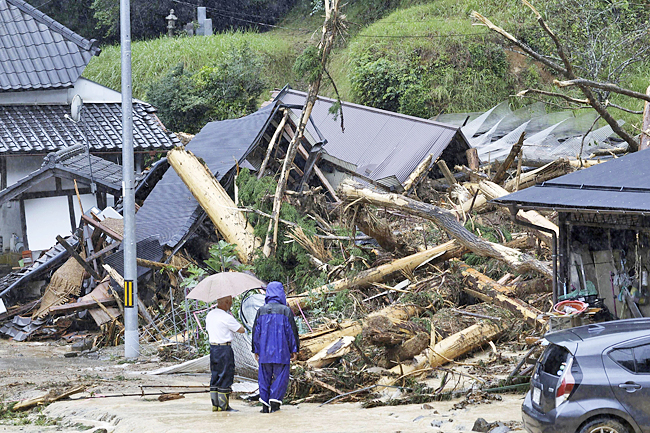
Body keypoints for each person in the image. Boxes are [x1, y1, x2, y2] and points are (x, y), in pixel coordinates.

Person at [252, 281, 299, 413]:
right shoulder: (286, 311)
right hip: (282, 351)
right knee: (281, 377)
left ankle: (264, 406)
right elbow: (291, 332)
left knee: (264, 378)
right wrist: (294, 349)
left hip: (264, 352)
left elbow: (256, 332)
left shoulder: (261, 311)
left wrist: (256, 350)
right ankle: (275, 401)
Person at [205, 295, 245, 412]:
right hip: (224, 349)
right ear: (226, 303)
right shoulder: (226, 317)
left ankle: (215, 405)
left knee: (216, 374)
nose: (231, 305)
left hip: (213, 348)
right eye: (230, 302)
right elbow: (241, 330)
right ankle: (224, 406)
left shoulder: (210, 314)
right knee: (226, 375)